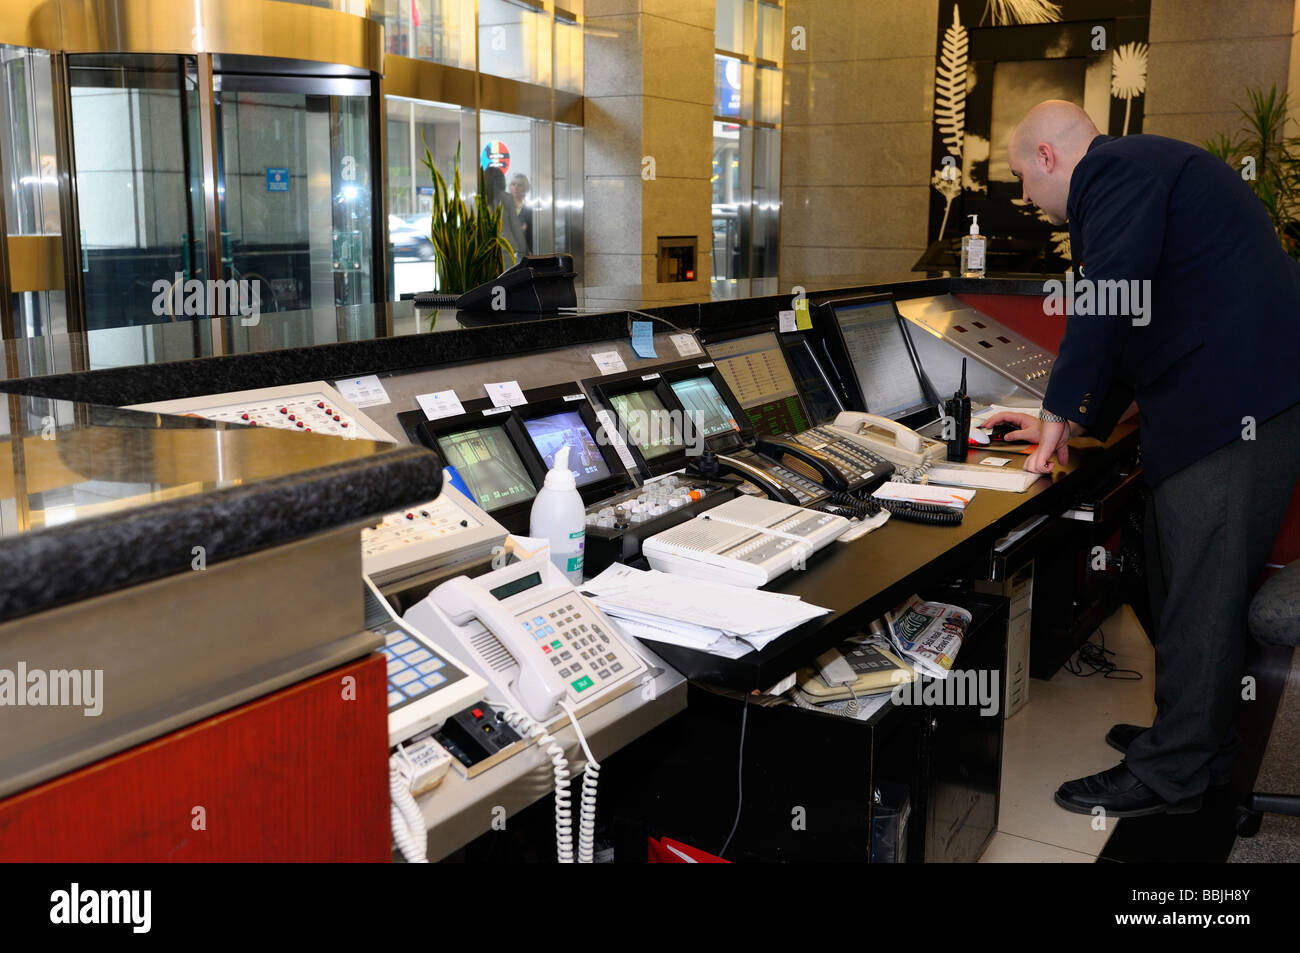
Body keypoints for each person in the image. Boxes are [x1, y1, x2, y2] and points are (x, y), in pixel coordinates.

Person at [985, 100, 1300, 818]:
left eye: (1020, 180)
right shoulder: (1147, 170)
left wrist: (1059, 415)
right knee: (1170, 578)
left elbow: (1106, 297)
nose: (1025, 201)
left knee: (1201, 590)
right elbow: (1136, 325)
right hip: (1225, 402)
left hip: (1237, 409)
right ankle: (1196, 736)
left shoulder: (1115, 171)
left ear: (1047, 157)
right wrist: (1054, 419)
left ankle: (1173, 772)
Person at [483, 165, 527, 270]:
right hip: (507, 250)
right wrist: (523, 250)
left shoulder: (478, 200)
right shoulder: (506, 198)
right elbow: (515, 226)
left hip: (485, 251)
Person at [509, 173, 533, 254]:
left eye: (519, 185)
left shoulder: (530, 208)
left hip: (525, 252)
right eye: (513, 184)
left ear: (525, 188)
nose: (515, 188)